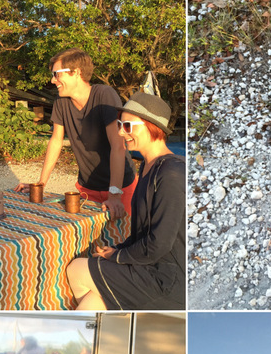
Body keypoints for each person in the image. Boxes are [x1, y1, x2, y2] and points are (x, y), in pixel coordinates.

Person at [65, 91, 185, 310]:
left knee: (77, 269)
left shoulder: (171, 173)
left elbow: (160, 243)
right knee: (95, 299)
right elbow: (143, 233)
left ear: (151, 126)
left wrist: (119, 256)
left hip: (166, 279)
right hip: (150, 265)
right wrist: (118, 249)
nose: (120, 132)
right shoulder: (148, 166)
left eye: (128, 126)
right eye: (120, 124)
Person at [16, 49, 135, 220]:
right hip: (87, 188)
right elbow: (56, 141)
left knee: (124, 241)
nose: (53, 80)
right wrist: (41, 184)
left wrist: (115, 194)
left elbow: (118, 146)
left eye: (57, 74)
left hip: (120, 187)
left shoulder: (104, 95)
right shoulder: (61, 101)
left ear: (77, 72)